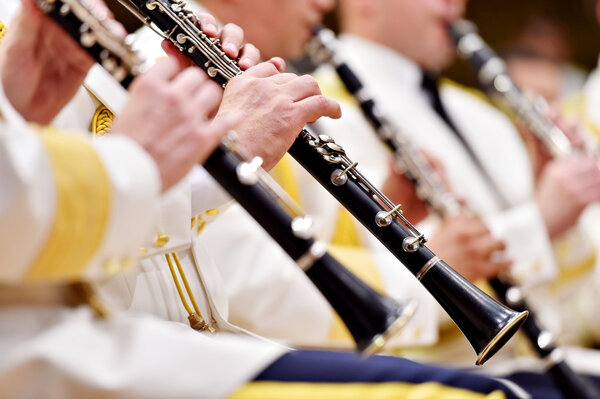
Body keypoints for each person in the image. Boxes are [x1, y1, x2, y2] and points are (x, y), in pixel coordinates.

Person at [0, 1, 531, 398]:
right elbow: (252, 281)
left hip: (183, 351)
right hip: (80, 363)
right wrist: (214, 154)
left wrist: (29, 108)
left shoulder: (101, 44)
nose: (327, 4)